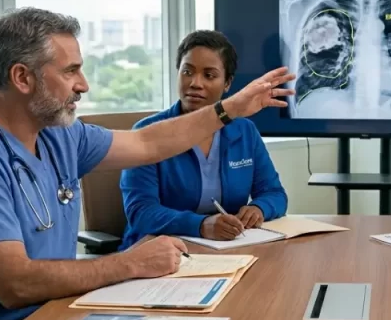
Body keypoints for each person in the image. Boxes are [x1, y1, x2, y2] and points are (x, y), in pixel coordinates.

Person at [0, 7, 295, 320]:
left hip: (54, 317)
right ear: (22, 77)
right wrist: (128, 263)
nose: (83, 84)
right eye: (70, 71)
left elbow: (148, 142)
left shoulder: (59, 134)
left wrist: (228, 110)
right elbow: (17, 284)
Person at [119, 30, 288, 247]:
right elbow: (141, 212)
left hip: (228, 248)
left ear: (227, 83)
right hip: (158, 251)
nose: (195, 83)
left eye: (209, 75)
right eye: (187, 72)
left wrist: (259, 208)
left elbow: (274, 193)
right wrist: (201, 225)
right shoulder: (147, 133)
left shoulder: (244, 131)